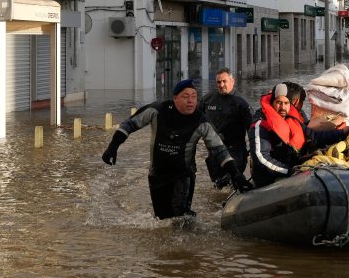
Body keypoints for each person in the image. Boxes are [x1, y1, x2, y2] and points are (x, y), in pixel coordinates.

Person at [101, 78, 253, 219]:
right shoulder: (158, 110)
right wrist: (112, 147)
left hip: (184, 174)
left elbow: (219, 149)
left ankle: (188, 238)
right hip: (157, 174)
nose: (191, 101)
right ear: (175, 98)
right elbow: (130, 124)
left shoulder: (201, 121)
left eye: (194, 96)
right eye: (186, 96)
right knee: (162, 220)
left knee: (180, 217)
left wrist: (235, 174)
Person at [249, 82, 347, 188]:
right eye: (279, 103)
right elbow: (261, 158)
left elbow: (314, 135)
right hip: (270, 178)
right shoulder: (261, 124)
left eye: (286, 103)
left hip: (291, 168)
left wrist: (342, 133)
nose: (282, 107)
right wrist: (289, 171)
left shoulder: (292, 119)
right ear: (272, 102)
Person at [201, 68, 254, 189]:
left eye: (224, 81)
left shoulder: (242, 103)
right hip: (215, 151)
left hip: (235, 151)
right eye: (218, 82)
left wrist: (253, 153)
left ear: (232, 81)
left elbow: (251, 129)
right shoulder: (207, 99)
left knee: (232, 183)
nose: (221, 85)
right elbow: (196, 120)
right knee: (218, 187)